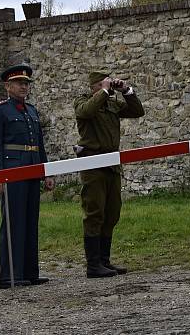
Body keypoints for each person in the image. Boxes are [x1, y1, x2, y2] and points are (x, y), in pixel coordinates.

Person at [0, 64, 55, 289]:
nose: (23, 87)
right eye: (19, 83)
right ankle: (11, 275)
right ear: (8, 86)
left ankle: (29, 272)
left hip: (33, 169)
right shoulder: (0, 111)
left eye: (26, 83)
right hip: (13, 171)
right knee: (14, 222)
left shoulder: (32, 111)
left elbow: (39, 144)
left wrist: (47, 171)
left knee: (30, 221)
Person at [74, 69, 145, 278]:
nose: (107, 87)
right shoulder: (83, 101)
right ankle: (93, 265)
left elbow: (137, 111)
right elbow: (86, 112)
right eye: (103, 84)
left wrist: (126, 91)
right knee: (94, 212)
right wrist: (104, 92)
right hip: (93, 163)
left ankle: (104, 261)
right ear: (94, 86)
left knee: (112, 212)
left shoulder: (112, 103)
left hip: (112, 164)